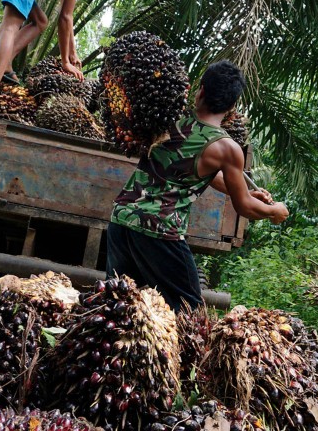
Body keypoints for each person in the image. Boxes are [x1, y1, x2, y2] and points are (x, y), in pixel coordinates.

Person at [106, 61, 290, 312]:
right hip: (159, 230)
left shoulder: (169, 120)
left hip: (122, 219)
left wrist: (246, 192)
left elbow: (192, 172)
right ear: (232, 106)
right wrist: (274, 211)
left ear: (200, 90)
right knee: (190, 312)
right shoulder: (226, 148)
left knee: (118, 307)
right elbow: (244, 207)